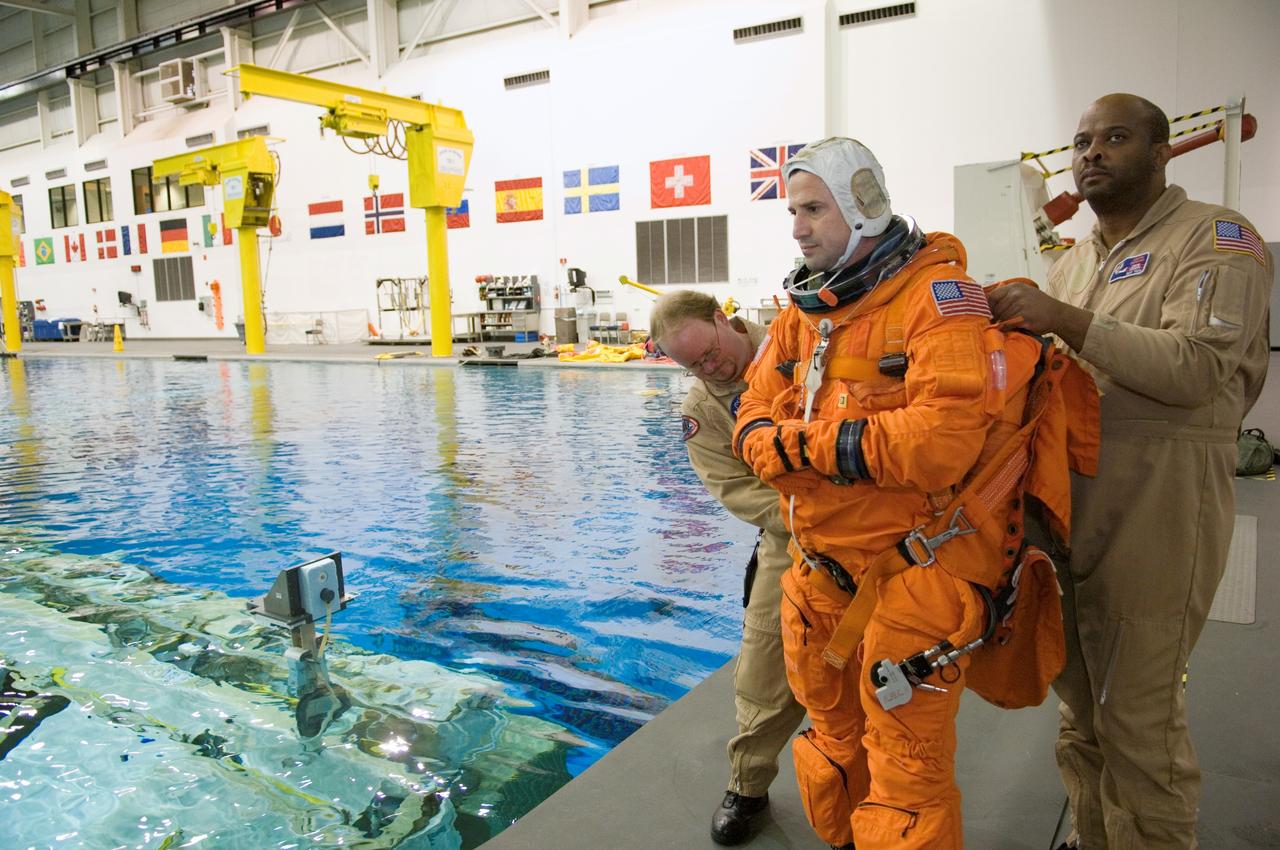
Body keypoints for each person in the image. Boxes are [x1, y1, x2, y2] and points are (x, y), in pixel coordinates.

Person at [730, 137, 1092, 850]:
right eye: (792, 211)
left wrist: (801, 450)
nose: (797, 227)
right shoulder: (801, 315)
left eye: (812, 209)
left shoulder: (937, 300)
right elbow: (749, 419)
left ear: (862, 207)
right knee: (833, 742)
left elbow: (937, 446)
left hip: (914, 578)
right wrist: (819, 453)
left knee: (907, 778)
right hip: (819, 574)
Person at [989, 93, 1273, 850]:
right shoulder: (1075, 259)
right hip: (1069, 502)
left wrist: (1066, 319)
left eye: (1115, 138)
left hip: (1160, 499)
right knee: (1081, 708)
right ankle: (1094, 834)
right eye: (1081, 141)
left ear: (1160, 151)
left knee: (1138, 721)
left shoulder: (1214, 239)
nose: (1091, 153)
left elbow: (1199, 369)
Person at [650, 291, 807, 846]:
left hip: (875, 528)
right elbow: (735, 490)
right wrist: (809, 513)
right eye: (694, 365)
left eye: (712, 353)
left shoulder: (803, 341)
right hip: (794, 535)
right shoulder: (703, 410)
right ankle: (748, 785)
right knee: (763, 665)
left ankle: (868, 792)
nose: (711, 368)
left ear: (724, 319)